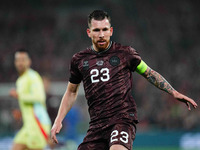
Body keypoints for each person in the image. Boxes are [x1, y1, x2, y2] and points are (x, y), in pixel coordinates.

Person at [51, 10, 198, 150]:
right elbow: (71, 92)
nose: (101, 34)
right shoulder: (79, 60)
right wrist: (58, 120)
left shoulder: (125, 53)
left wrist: (173, 92)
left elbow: (149, 73)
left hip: (122, 119)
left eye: (105, 29)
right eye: (96, 30)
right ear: (89, 32)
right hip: (97, 124)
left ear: (111, 31)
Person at [10, 49, 52, 150]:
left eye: (23, 60)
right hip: (28, 126)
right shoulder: (20, 79)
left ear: (29, 62)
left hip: (37, 125)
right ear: (15, 62)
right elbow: (30, 105)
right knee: (16, 147)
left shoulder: (33, 77)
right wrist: (21, 112)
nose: (20, 62)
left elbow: (39, 97)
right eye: (18, 60)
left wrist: (19, 95)